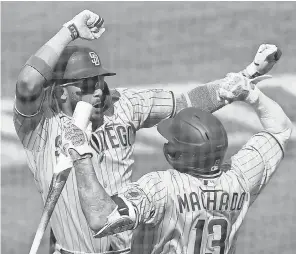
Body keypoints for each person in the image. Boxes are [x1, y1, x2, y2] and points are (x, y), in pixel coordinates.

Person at [13, 9, 281, 254]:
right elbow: (26, 84)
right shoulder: (40, 127)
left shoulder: (123, 105)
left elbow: (185, 102)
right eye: (86, 83)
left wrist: (243, 77)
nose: (98, 90)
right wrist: (70, 30)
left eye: (100, 80)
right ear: (60, 91)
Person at [63, 72, 293, 254]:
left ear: (174, 154)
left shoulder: (160, 188)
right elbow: (281, 129)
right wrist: (253, 94)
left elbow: (100, 218)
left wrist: (81, 155)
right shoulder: (241, 177)